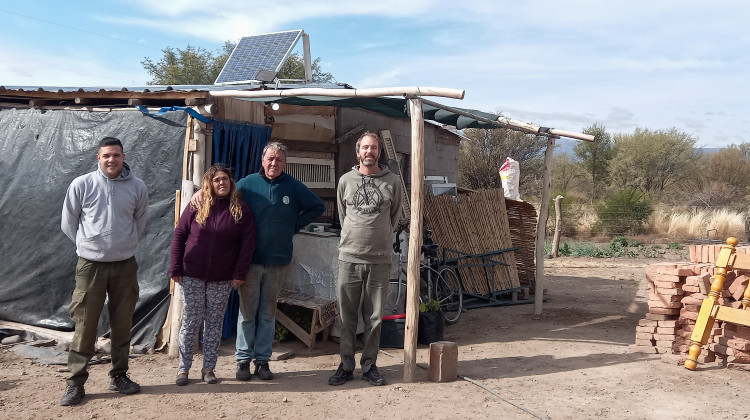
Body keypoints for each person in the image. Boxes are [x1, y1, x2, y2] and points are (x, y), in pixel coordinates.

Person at [190, 142, 325, 381]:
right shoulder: (247, 184)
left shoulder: (293, 187)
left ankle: (262, 361)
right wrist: (201, 192)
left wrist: (294, 225)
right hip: (249, 261)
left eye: (279, 160)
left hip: (278, 260)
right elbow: (221, 195)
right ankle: (243, 360)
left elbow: (317, 206)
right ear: (262, 160)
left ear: (285, 163)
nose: (274, 163)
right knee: (247, 313)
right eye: (270, 159)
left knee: (267, 313)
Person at [59, 137, 149, 406]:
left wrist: (123, 245)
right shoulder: (82, 184)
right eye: (107, 155)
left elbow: (141, 221)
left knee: (122, 323)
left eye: (117, 155)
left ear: (124, 157)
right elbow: (68, 222)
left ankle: (119, 375)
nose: (112, 160)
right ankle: (75, 383)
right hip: (90, 267)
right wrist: (89, 247)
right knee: (85, 325)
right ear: (98, 158)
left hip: (125, 264)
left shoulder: (137, 187)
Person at [170, 165, 256, 386]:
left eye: (225, 179)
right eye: (216, 180)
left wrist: (239, 273)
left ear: (231, 182)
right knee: (191, 320)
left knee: (214, 323)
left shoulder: (240, 209)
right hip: (192, 274)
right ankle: (183, 368)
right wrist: (175, 267)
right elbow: (180, 235)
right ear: (209, 183)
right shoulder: (196, 205)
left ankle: (209, 368)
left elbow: (247, 245)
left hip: (223, 277)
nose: (221, 183)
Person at [329, 131, 403, 387]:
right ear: (358, 152)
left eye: (373, 148)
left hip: (380, 259)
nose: (369, 152)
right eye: (365, 148)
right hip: (349, 257)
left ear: (378, 152)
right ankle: (346, 364)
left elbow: (393, 218)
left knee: (374, 318)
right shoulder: (345, 181)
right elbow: (342, 215)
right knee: (347, 316)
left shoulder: (392, 182)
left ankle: (370, 365)